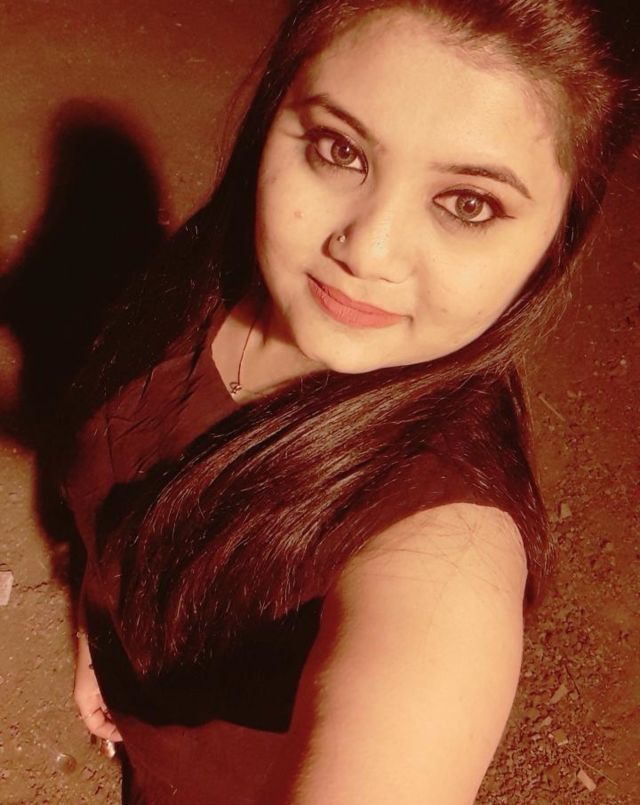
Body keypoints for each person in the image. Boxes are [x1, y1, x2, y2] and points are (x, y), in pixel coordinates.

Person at [58, 0, 635, 802]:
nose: (367, 250)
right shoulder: (218, 268)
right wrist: (101, 636)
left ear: (556, 239)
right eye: (339, 150)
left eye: (469, 203)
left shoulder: (441, 552)